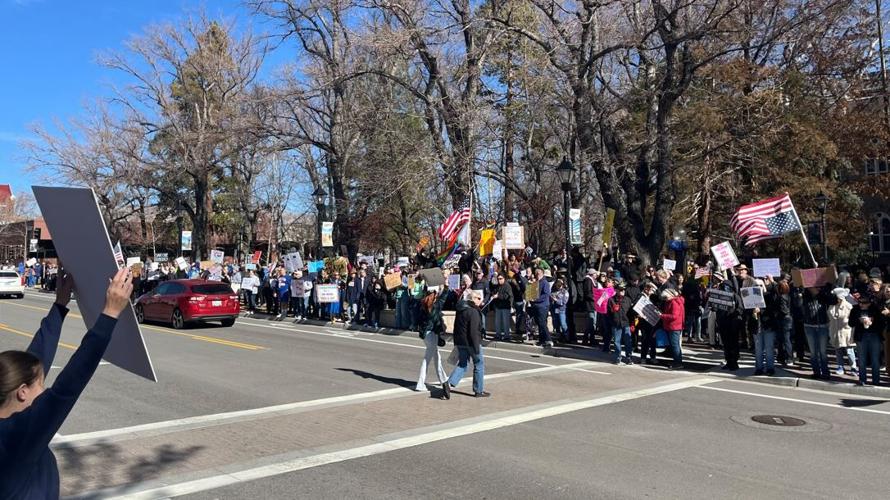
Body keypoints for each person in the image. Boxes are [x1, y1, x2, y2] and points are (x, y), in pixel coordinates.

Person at [0, 268, 132, 499]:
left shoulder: (12, 425)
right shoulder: (17, 434)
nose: (45, 390)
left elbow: (35, 360)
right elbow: (66, 389)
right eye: (41, 385)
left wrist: (60, 305)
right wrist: (109, 314)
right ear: (22, 392)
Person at [443, 290, 489, 399]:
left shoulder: (461, 309)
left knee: (462, 364)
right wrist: (476, 346)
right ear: (472, 299)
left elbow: (456, 327)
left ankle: (448, 384)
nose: (480, 300)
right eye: (478, 298)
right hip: (471, 342)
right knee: (479, 364)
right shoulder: (473, 311)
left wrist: (456, 342)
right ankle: (478, 390)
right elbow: (473, 331)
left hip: (460, 341)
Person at [850, 292, 885, 386]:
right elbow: (850, 323)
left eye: (864, 303)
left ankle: (876, 380)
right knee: (861, 359)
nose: (861, 304)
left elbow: (882, 323)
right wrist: (859, 320)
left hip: (874, 335)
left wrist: (872, 320)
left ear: (869, 303)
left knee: (875, 359)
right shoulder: (855, 309)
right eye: (860, 302)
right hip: (861, 336)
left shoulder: (875, 309)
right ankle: (862, 379)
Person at [415, 289, 448, 392]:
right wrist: (446, 287)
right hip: (432, 334)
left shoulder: (422, 305)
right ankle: (421, 384)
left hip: (425, 335)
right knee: (428, 360)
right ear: (434, 297)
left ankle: (444, 380)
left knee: (436, 357)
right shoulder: (434, 307)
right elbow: (443, 299)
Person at [802, 285, 832, 380]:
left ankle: (825, 372)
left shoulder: (823, 296)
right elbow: (798, 304)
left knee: (822, 351)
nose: (817, 288)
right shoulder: (805, 296)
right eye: (814, 287)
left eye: (818, 287)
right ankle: (816, 372)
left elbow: (833, 300)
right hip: (809, 326)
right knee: (813, 352)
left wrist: (825, 291)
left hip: (822, 326)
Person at [828, 288, 857, 377]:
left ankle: (853, 367)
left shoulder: (848, 306)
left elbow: (852, 320)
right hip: (835, 331)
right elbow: (830, 316)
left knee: (849, 351)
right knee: (838, 350)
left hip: (847, 332)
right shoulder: (832, 306)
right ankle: (840, 366)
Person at [659, 288, 686, 369]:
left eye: (666, 297)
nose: (665, 299)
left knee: (675, 345)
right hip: (674, 326)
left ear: (671, 295)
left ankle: (678, 363)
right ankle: (677, 361)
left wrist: (662, 315)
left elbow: (674, 316)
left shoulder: (674, 303)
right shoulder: (673, 301)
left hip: (674, 327)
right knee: (675, 345)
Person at [608, 282, 633, 365]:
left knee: (628, 341)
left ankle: (629, 356)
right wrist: (613, 310)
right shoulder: (611, 300)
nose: (622, 292)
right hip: (616, 323)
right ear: (616, 290)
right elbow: (608, 313)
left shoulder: (628, 300)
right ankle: (618, 356)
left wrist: (632, 323)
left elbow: (631, 312)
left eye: (623, 290)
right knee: (616, 341)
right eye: (620, 290)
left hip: (626, 323)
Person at [528, 267, 553, 348]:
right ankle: (542, 340)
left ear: (542, 273)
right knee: (539, 323)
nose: (537, 275)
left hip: (543, 306)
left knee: (542, 323)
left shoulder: (545, 282)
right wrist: (530, 286)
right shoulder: (536, 282)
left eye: (538, 273)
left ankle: (548, 339)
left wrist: (536, 299)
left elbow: (546, 294)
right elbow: (530, 294)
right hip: (536, 305)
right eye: (536, 273)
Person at [491, 274, 514, 341]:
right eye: (498, 279)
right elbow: (494, 292)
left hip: (505, 306)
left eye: (501, 278)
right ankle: (498, 335)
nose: (499, 280)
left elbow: (507, 296)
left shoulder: (507, 286)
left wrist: (498, 296)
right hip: (498, 306)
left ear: (504, 278)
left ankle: (507, 336)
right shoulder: (498, 286)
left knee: (505, 322)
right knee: (497, 322)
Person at [551, 278, 569, 343]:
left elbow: (564, 302)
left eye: (560, 285)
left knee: (563, 323)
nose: (559, 286)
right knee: (556, 324)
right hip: (555, 309)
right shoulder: (553, 291)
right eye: (557, 285)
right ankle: (558, 337)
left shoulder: (565, 292)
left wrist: (556, 300)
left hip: (562, 310)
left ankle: (566, 337)